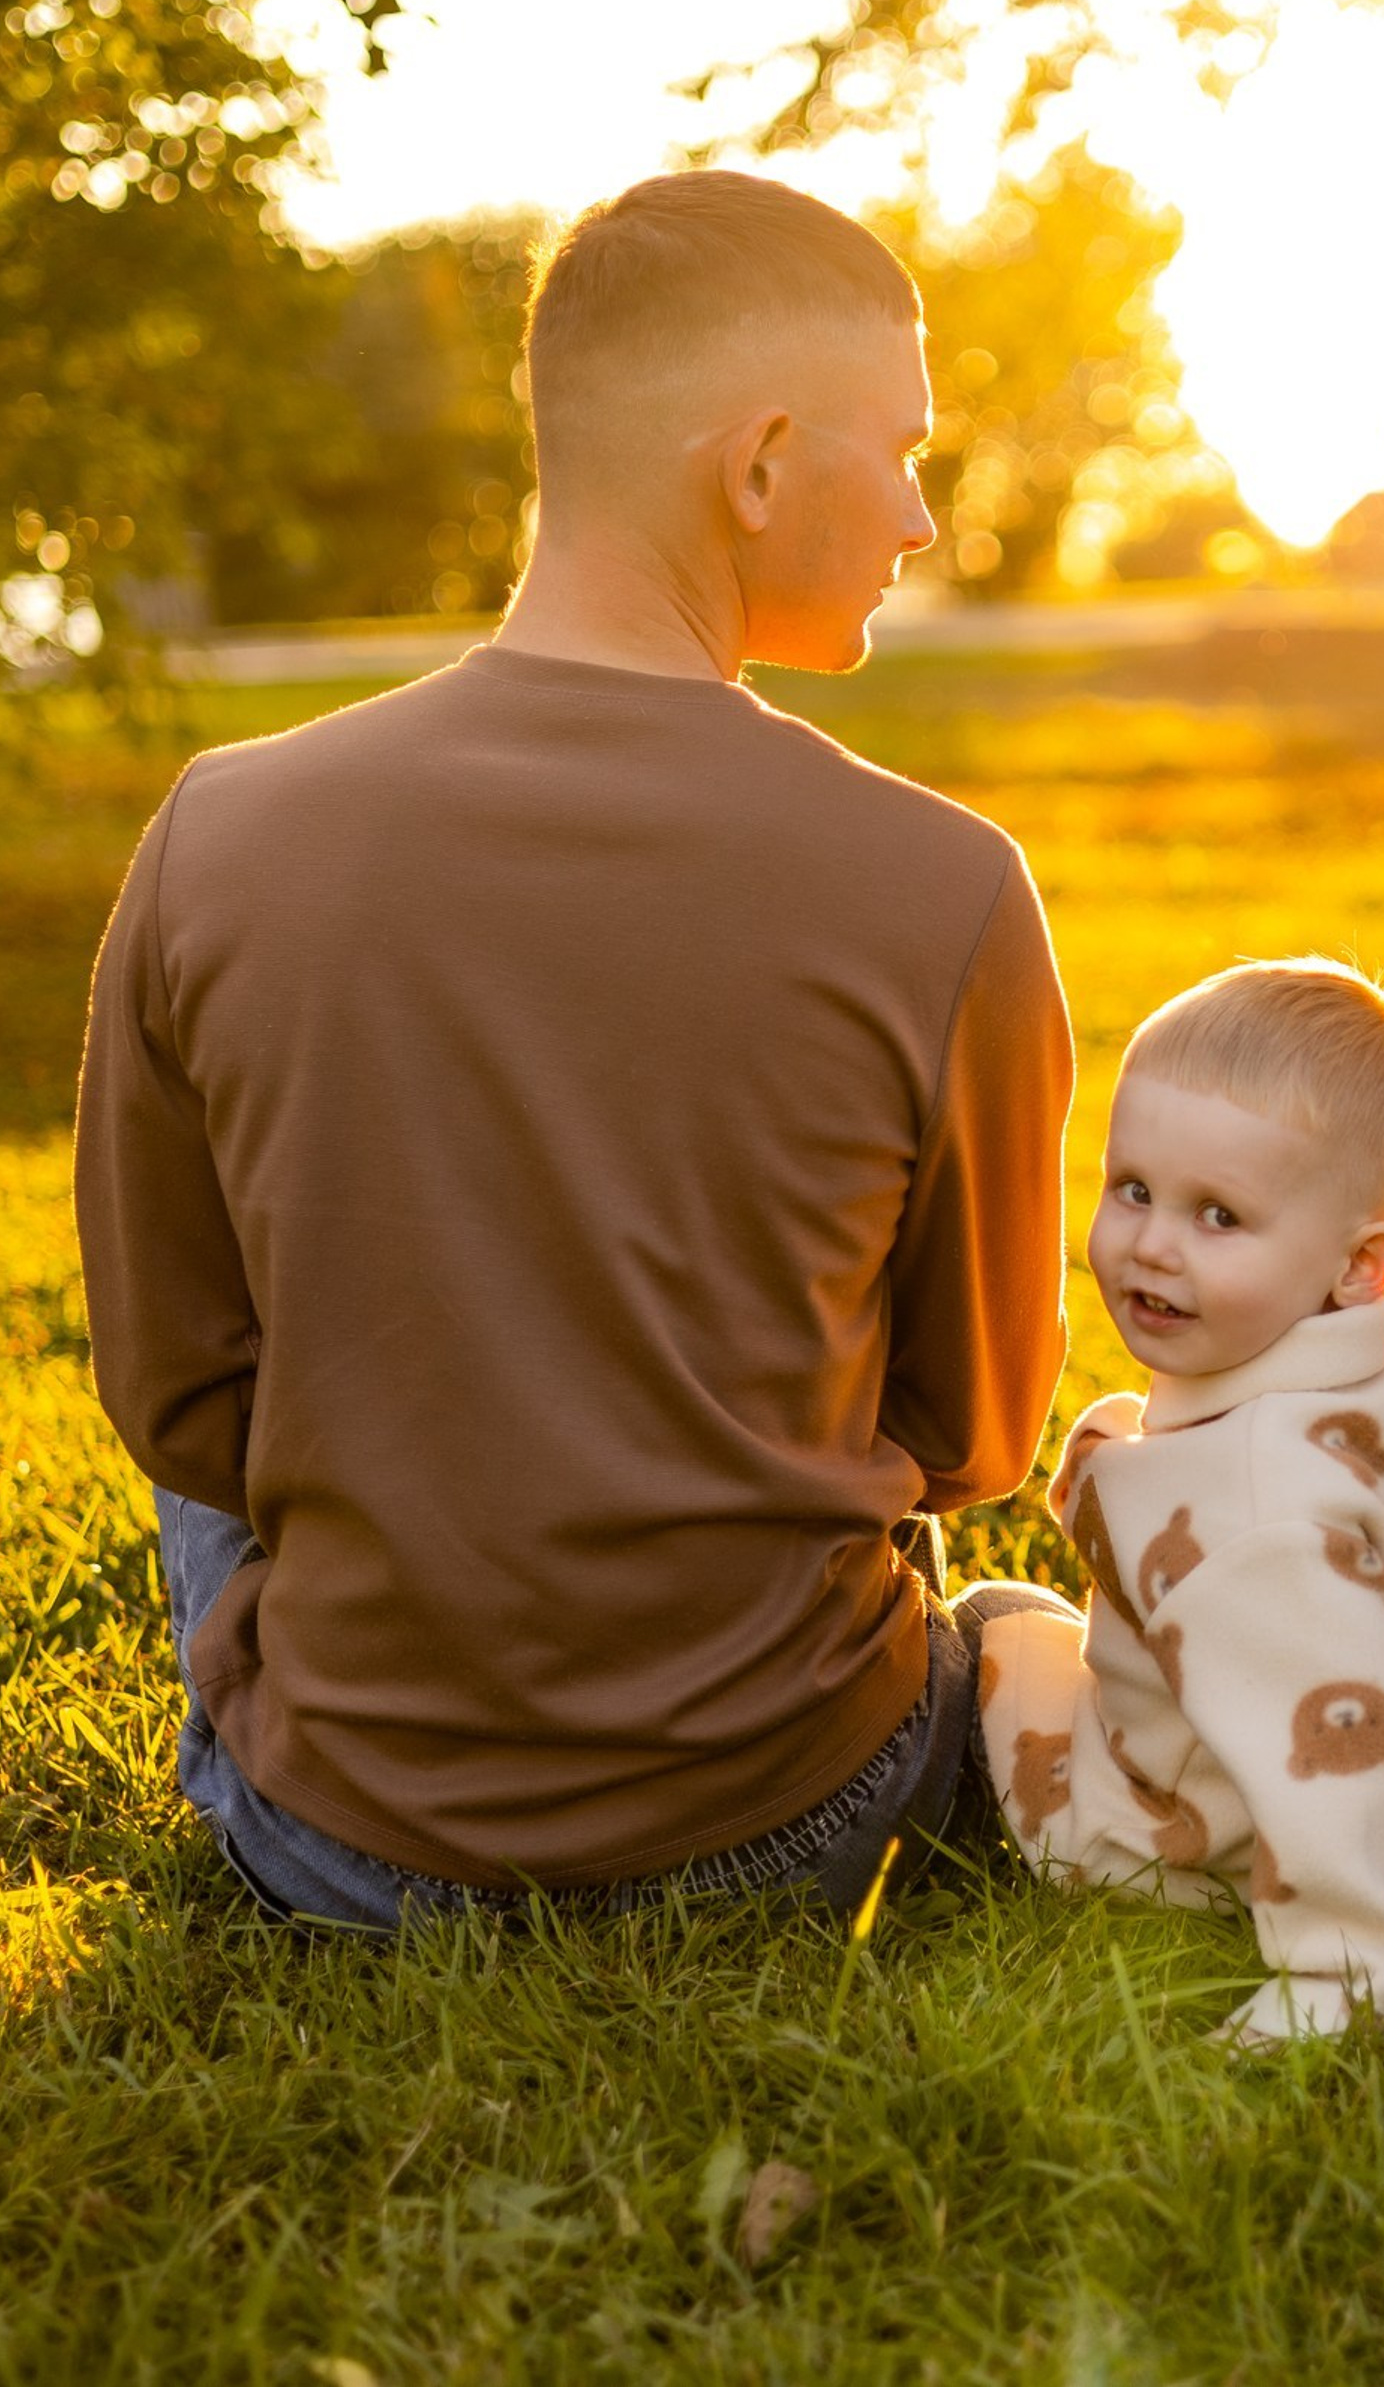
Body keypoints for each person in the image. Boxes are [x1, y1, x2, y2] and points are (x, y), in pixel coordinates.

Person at [75, 169, 1074, 1931]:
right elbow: (970, 1438)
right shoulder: (952, 886)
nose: (922, 519)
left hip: (343, 1844)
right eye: (904, 452)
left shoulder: (213, 834)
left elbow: (176, 1398)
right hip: (801, 1815)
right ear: (759, 468)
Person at [965, 962, 1384, 2044]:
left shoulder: (1267, 1518)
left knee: (969, 1635)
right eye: (1133, 1189)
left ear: (1360, 1265)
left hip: (1190, 1844)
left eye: (1219, 1215)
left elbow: (1333, 1733)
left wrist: (1346, 1960)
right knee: (1017, 1616)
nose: (1152, 1244)